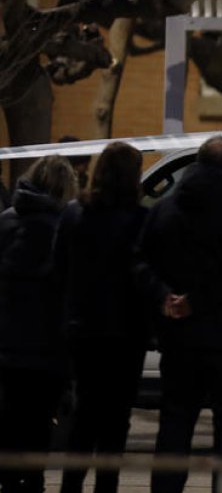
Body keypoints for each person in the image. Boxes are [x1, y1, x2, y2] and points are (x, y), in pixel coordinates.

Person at [135, 136, 222, 493]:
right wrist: (199, 300)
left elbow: (140, 261)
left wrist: (166, 297)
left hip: (180, 338)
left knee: (175, 426)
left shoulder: (164, 208)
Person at [56, 142, 150, 493]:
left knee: (84, 415)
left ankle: (70, 485)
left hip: (84, 330)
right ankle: (106, 486)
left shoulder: (74, 214)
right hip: (128, 333)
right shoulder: (141, 220)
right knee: (116, 420)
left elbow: (59, 267)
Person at [0, 156, 79, 493]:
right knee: (40, 419)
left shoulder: (4, 222)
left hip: (5, 343)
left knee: (9, 415)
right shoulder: (65, 227)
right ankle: (32, 481)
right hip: (48, 347)